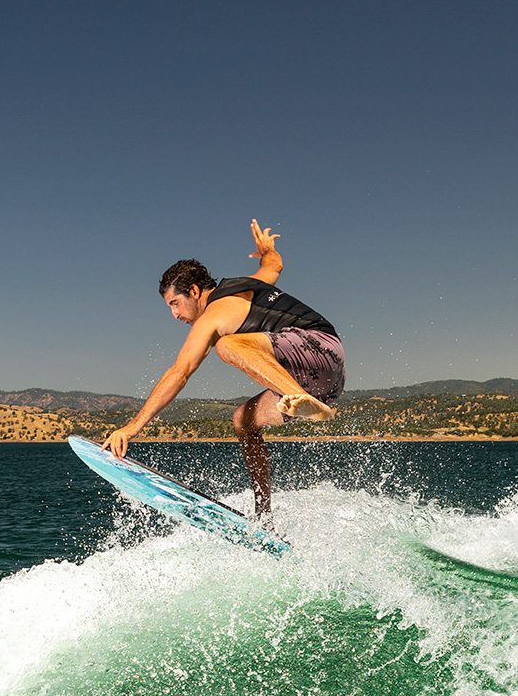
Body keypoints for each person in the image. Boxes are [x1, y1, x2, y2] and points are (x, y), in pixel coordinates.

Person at [103, 220, 343, 519]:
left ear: (194, 291)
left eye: (175, 303)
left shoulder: (213, 315)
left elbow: (180, 372)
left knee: (227, 345)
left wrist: (133, 426)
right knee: (243, 419)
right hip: (326, 380)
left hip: (319, 347)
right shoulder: (251, 282)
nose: (175, 314)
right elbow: (274, 265)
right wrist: (266, 249)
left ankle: (297, 396)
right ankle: (264, 517)